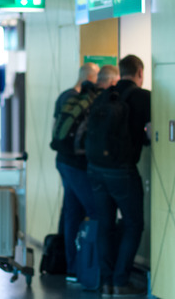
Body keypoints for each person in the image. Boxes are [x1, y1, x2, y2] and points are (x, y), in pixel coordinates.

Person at [85, 55, 151, 296]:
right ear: (140, 73)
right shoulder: (144, 98)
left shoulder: (105, 95)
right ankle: (121, 280)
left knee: (105, 223)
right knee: (134, 223)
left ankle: (105, 281)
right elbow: (151, 134)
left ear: (121, 72)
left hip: (95, 168)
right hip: (121, 171)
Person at [52, 64, 120, 277]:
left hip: (63, 160)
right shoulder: (93, 100)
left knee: (72, 212)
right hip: (78, 164)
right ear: (92, 78)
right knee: (96, 212)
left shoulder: (67, 97)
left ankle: (74, 267)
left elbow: (56, 128)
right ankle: (95, 268)